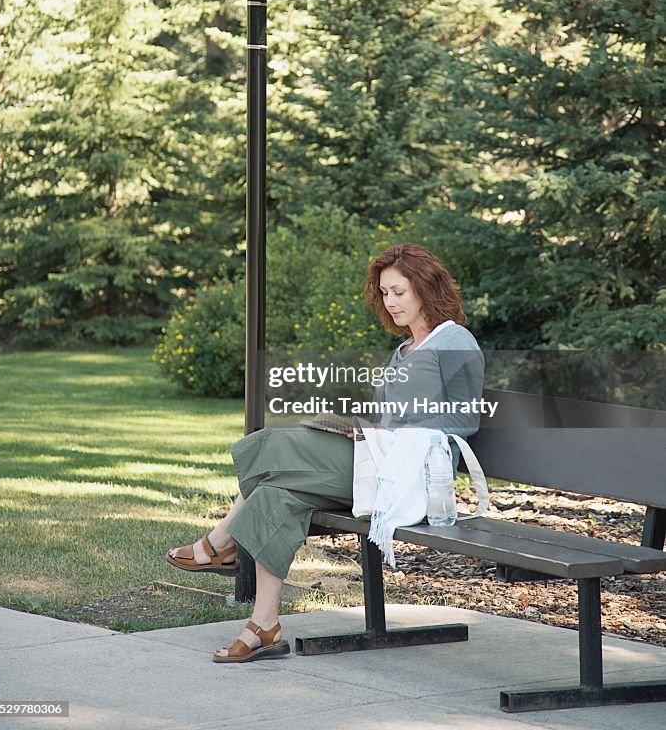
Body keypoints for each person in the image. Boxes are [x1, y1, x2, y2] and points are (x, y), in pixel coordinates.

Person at [166, 243, 484, 663]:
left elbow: (465, 421)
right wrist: (370, 430)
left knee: (278, 441)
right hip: (377, 466)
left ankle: (220, 541)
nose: (390, 303)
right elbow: (386, 417)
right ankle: (264, 626)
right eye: (385, 293)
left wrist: (399, 436)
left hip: (413, 480)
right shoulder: (403, 351)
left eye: (399, 292)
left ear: (425, 288)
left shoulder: (455, 340)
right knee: (274, 496)